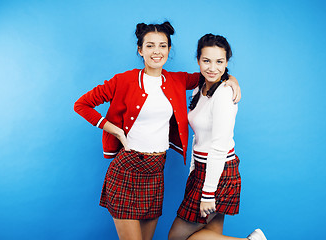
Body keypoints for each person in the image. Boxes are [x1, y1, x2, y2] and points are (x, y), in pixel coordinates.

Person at [74, 22, 241, 240]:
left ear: (169, 50)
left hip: (155, 173)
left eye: (162, 46)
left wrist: (232, 79)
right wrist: (113, 129)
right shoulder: (123, 80)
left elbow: (211, 73)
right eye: (150, 46)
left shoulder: (177, 80)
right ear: (140, 50)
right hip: (127, 170)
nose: (157, 51)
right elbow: (82, 105)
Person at [168, 34, 267, 240]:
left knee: (176, 237)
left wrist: (207, 193)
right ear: (198, 60)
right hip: (204, 170)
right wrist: (194, 171)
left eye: (219, 61)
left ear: (226, 62)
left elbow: (220, 146)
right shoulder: (199, 88)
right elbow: (200, 137)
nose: (213, 67)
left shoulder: (223, 93)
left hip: (219, 173)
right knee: (210, 234)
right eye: (207, 61)